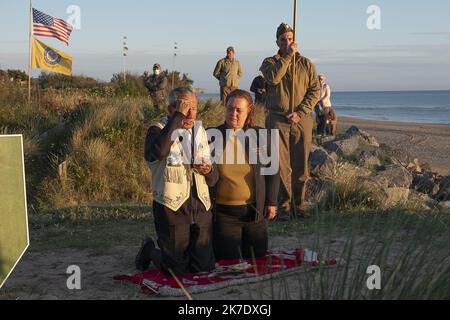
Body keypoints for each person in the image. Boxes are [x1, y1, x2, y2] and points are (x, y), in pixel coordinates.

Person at [137, 87, 218, 276]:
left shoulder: (201, 132)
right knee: (176, 271)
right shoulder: (156, 130)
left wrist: (208, 170)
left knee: (204, 268)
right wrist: (177, 120)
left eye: (194, 108)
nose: (190, 114)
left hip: (200, 207)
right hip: (171, 208)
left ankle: (186, 254)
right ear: (169, 110)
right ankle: (149, 250)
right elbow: (158, 152)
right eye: (184, 108)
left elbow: (214, 179)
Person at [260, 23, 321, 220]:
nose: (287, 42)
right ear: (277, 41)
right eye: (283, 39)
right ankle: (284, 206)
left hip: (301, 120)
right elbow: (273, 78)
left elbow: (315, 91)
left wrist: (301, 112)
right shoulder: (269, 62)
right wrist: (287, 56)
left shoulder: (306, 64)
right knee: (281, 166)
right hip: (277, 119)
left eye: (290, 38)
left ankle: (299, 205)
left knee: (301, 165)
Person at [210, 89, 280, 260]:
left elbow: (273, 172)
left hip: (255, 213)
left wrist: (271, 202)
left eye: (238, 110)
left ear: (249, 110)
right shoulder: (211, 136)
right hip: (224, 214)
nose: (233, 113)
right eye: (229, 108)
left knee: (258, 259)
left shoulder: (260, 135)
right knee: (228, 262)